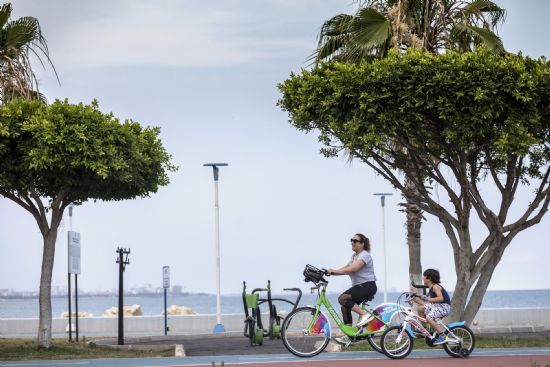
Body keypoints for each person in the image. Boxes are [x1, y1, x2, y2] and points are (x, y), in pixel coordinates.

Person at [327, 233, 377, 344]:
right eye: (351, 240)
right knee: (345, 307)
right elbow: (346, 268)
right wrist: (331, 272)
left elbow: (353, 269)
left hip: (368, 286)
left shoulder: (364, 255)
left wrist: (334, 271)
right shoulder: (354, 256)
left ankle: (364, 314)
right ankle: (350, 337)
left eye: (355, 241)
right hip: (360, 286)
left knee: (342, 298)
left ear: (362, 244)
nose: (352, 242)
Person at [413, 268, 451, 345]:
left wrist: (427, 298)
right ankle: (424, 329)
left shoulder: (435, 286)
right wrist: (417, 298)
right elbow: (428, 302)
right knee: (420, 308)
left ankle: (442, 335)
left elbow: (441, 298)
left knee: (429, 317)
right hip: (437, 306)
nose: (423, 277)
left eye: (424, 276)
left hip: (443, 307)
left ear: (429, 278)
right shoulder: (431, 288)